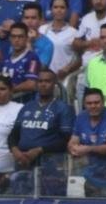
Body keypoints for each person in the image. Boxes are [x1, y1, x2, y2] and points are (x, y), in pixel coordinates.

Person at [8, 68, 75, 196]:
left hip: (50, 164)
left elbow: (66, 139)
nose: (43, 84)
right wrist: (15, 150)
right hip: (23, 163)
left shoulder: (63, 108)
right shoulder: (27, 106)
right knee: (21, 202)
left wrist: (40, 150)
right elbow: (14, 133)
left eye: (47, 81)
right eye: (40, 81)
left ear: (55, 84)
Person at [68, 86, 106, 198]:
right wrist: (74, 149)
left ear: (103, 102)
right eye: (89, 103)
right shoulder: (81, 117)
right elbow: (72, 142)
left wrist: (86, 149)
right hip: (91, 175)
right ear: (85, 104)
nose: (93, 106)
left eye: (96, 102)